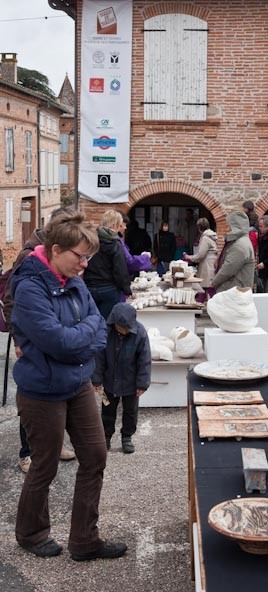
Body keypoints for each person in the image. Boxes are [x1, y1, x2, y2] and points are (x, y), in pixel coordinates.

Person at [10, 211, 127, 560]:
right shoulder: (30, 287)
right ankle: (30, 534)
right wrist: (81, 340)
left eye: (88, 257)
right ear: (57, 249)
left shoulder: (73, 280)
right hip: (42, 392)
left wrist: (79, 340)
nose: (85, 265)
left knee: (95, 456)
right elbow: (59, 342)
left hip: (76, 383)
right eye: (80, 256)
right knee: (44, 465)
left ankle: (84, 540)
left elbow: (98, 324)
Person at [3, 207, 77, 473]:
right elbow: (10, 301)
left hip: (55, 334)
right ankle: (27, 453)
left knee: (59, 392)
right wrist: (19, 339)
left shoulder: (62, 255)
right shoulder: (28, 256)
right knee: (33, 394)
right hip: (32, 338)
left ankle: (54, 444)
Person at [92, 303, 151, 454]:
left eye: (127, 328)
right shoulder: (105, 332)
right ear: (113, 323)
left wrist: (142, 383)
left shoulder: (140, 333)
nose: (124, 331)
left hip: (131, 384)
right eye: (120, 327)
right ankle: (105, 436)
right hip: (109, 382)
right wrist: (96, 380)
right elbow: (99, 358)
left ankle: (127, 437)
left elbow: (144, 360)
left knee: (131, 411)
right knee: (107, 409)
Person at [83, 210, 131, 320]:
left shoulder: (91, 240)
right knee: (106, 324)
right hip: (108, 289)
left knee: (91, 321)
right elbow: (120, 270)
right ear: (115, 224)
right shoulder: (115, 243)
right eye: (120, 225)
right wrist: (126, 289)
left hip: (89, 287)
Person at [212, 211, 255, 293]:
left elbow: (228, 269)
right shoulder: (240, 242)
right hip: (233, 289)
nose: (227, 229)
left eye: (229, 226)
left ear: (236, 227)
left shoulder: (240, 246)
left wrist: (214, 282)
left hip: (234, 291)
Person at [183, 218, 218, 302]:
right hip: (211, 264)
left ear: (199, 227)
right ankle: (202, 307)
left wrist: (188, 257)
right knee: (206, 287)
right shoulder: (212, 236)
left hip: (207, 266)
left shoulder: (205, 238)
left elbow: (201, 255)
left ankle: (202, 307)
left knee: (205, 288)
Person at [118, 213, 152, 279]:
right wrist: (147, 252)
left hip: (132, 254)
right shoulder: (143, 232)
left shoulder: (129, 234)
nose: (125, 228)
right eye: (124, 225)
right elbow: (149, 242)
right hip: (139, 254)